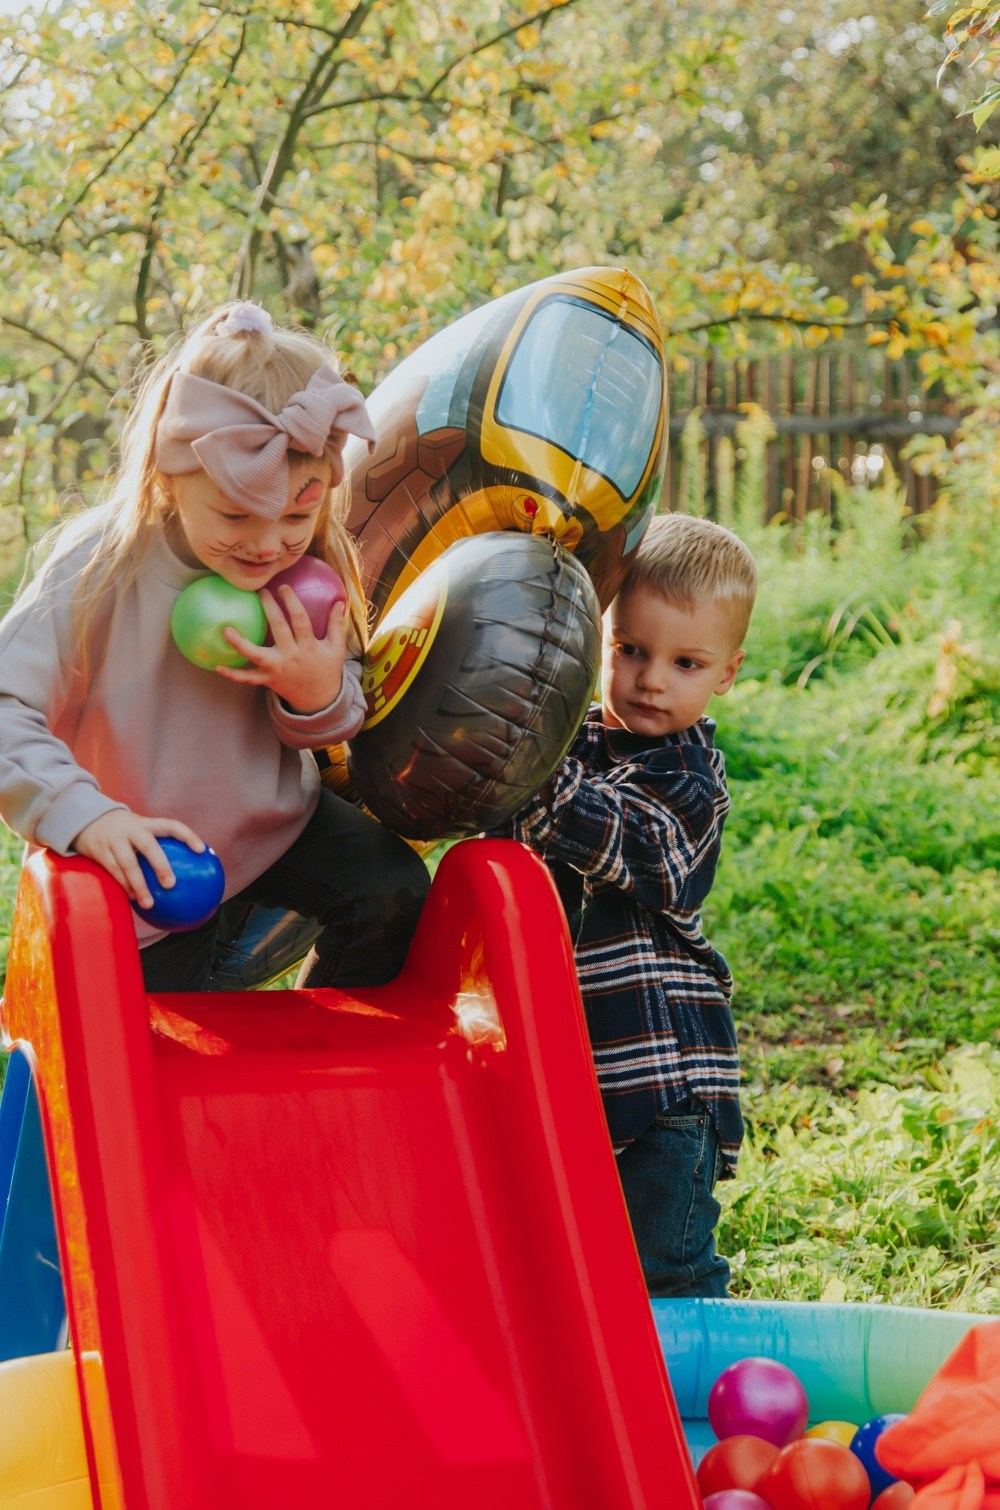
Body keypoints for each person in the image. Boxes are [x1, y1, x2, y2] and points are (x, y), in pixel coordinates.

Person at [0, 300, 430, 991]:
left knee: (392, 888)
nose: (267, 543)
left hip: (277, 829)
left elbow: (343, 708)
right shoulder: (100, 567)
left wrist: (316, 692)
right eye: (235, 513)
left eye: (297, 512)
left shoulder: (307, 574)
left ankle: (325, 1052)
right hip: (148, 864)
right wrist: (90, 818)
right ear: (167, 479)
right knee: (174, 1041)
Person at [491, 512, 757, 1297]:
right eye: (630, 650)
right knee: (570, 1269)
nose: (650, 679)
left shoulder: (688, 780)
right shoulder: (570, 746)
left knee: (663, 1272)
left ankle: (690, 1408)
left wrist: (519, 758)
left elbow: (634, 845)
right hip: (574, 1072)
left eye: (685, 662)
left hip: (661, 1087)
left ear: (727, 674)